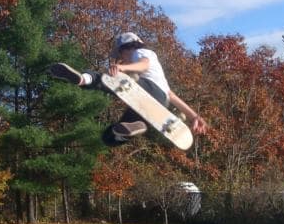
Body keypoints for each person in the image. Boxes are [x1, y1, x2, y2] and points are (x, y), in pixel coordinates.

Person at [50, 31, 208, 146]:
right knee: (109, 137)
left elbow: (144, 64)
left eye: (121, 55)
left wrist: (122, 68)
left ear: (126, 48)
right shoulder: (159, 76)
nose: (121, 58)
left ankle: (84, 78)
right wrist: (194, 116)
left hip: (149, 90)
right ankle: (136, 126)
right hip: (159, 101)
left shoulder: (141, 52)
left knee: (111, 79)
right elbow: (171, 96)